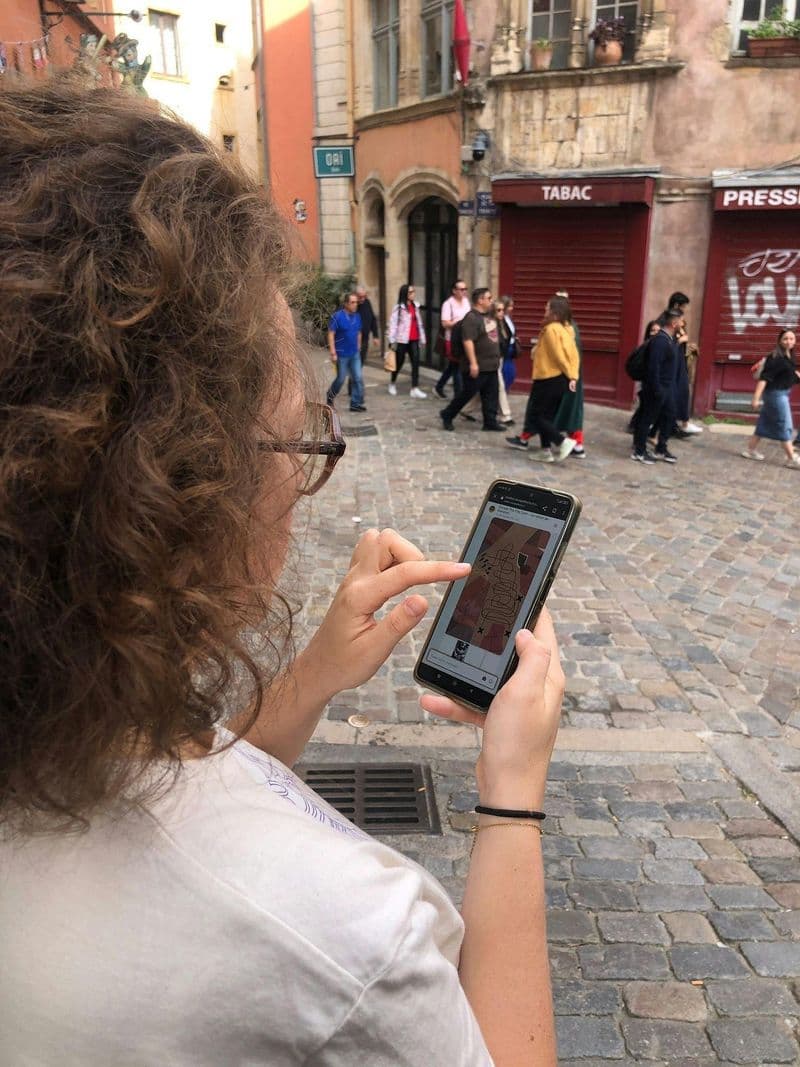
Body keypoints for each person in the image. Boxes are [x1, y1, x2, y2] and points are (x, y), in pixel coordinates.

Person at [1, 80, 562, 1066]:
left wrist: (308, 678)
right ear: (182, 495)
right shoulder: (344, 933)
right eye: (301, 441)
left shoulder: (57, 714)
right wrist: (511, 795)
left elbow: (163, 801)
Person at [505, 295, 579, 462]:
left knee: (536, 416)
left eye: (547, 308)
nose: (544, 310)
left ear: (555, 312)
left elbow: (558, 356)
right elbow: (574, 356)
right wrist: (573, 376)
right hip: (560, 379)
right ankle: (545, 451)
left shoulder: (552, 329)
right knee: (547, 417)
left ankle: (562, 442)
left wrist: (570, 374)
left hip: (548, 378)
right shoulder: (567, 329)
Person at [439, 288, 504, 432]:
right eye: (489, 298)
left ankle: (490, 422)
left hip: (491, 365)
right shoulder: (471, 319)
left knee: (491, 394)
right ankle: (447, 414)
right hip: (478, 365)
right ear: (480, 300)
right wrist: (473, 363)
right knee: (466, 393)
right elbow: (467, 341)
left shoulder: (488, 316)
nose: (491, 300)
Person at [741, 327, 800, 467]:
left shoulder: (790, 355)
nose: (788, 341)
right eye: (785, 338)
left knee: (764, 422)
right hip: (776, 396)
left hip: (781, 393)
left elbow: (788, 375)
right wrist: (755, 398)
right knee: (784, 425)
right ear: (779, 341)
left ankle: (750, 450)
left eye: (791, 338)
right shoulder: (776, 358)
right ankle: (791, 458)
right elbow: (764, 379)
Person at [631, 308, 683, 464]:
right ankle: (639, 451)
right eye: (680, 321)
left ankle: (661, 448)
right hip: (656, 388)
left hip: (666, 389)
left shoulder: (669, 339)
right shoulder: (660, 341)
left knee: (669, 416)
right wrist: (656, 388)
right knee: (647, 419)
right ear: (674, 323)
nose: (682, 323)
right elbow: (653, 367)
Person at [460, 301, 515, 425]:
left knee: (483, 388)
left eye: (502, 310)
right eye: (498, 310)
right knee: (499, 386)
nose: (501, 313)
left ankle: (465, 409)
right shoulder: (488, 324)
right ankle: (505, 415)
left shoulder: (504, 323)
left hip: (499, 358)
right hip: (490, 360)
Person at [551, 289, 585, 458]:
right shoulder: (564, 326)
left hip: (565, 375)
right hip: (568, 374)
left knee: (568, 409)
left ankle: (574, 443)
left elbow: (564, 354)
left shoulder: (567, 328)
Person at [667, 291, 703, 438]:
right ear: (677, 305)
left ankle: (682, 423)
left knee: (682, 391)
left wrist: (688, 346)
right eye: (684, 307)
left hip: (679, 361)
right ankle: (677, 424)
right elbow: (665, 342)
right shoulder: (667, 320)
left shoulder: (680, 321)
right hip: (672, 363)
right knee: (673, 392)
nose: (685, 311)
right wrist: (680, 341)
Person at [326, 291, 366, 413]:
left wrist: (358, 346)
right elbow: (331, 334)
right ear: (346, 304)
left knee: (358, 378)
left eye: (356, 302)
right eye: (352, 302)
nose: (355, 305)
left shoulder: (357, 316)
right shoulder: (337, 317)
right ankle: (330, 396)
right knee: (341, 379)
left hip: (354, 354)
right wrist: (333, 352)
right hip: (341, 354)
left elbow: (359, 332)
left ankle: (355, 403)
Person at [388, 283, 427, 398]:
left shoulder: (416, 306)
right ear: (405, 294)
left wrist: (422, 338)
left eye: (413, 291)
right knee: (399, 363)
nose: (413, 294)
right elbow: (393, 325)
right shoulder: (399, 308)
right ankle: (392, 383)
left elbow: (419, 323)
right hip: (401, 340)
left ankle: (414, 388)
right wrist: (392, 340)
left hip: (414, 339)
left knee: (415, 363)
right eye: (410, 292)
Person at [434, 279, 471, 399]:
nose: (464, 292)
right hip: (452, 339)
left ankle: (439, 386)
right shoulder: (448, 304)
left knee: (453, 365)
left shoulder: (466, 302)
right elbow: (445, 323)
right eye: (461, 289)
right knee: (457, 365)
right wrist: (458, 323)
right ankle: (458, 396)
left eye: (465, 289)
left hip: (464, 338)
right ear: (454, 291)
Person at [356, 285, 380, 366]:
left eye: (364, 296)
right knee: (355, 363)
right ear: (356, 295)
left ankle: (355, 378)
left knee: (361, 362)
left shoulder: (367, 302)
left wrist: (375, 336)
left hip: (365, 338)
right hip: (353, 339)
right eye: (360, 297)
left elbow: (372, 319)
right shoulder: (352, 304)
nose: (362, 299)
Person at [500, 294, 518, 394]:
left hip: (511, 349)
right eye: (510, 306)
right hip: (505, 349)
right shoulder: (501, 319)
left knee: (511, 374)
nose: (511, 308)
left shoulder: (508, 318)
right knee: (506, 374)